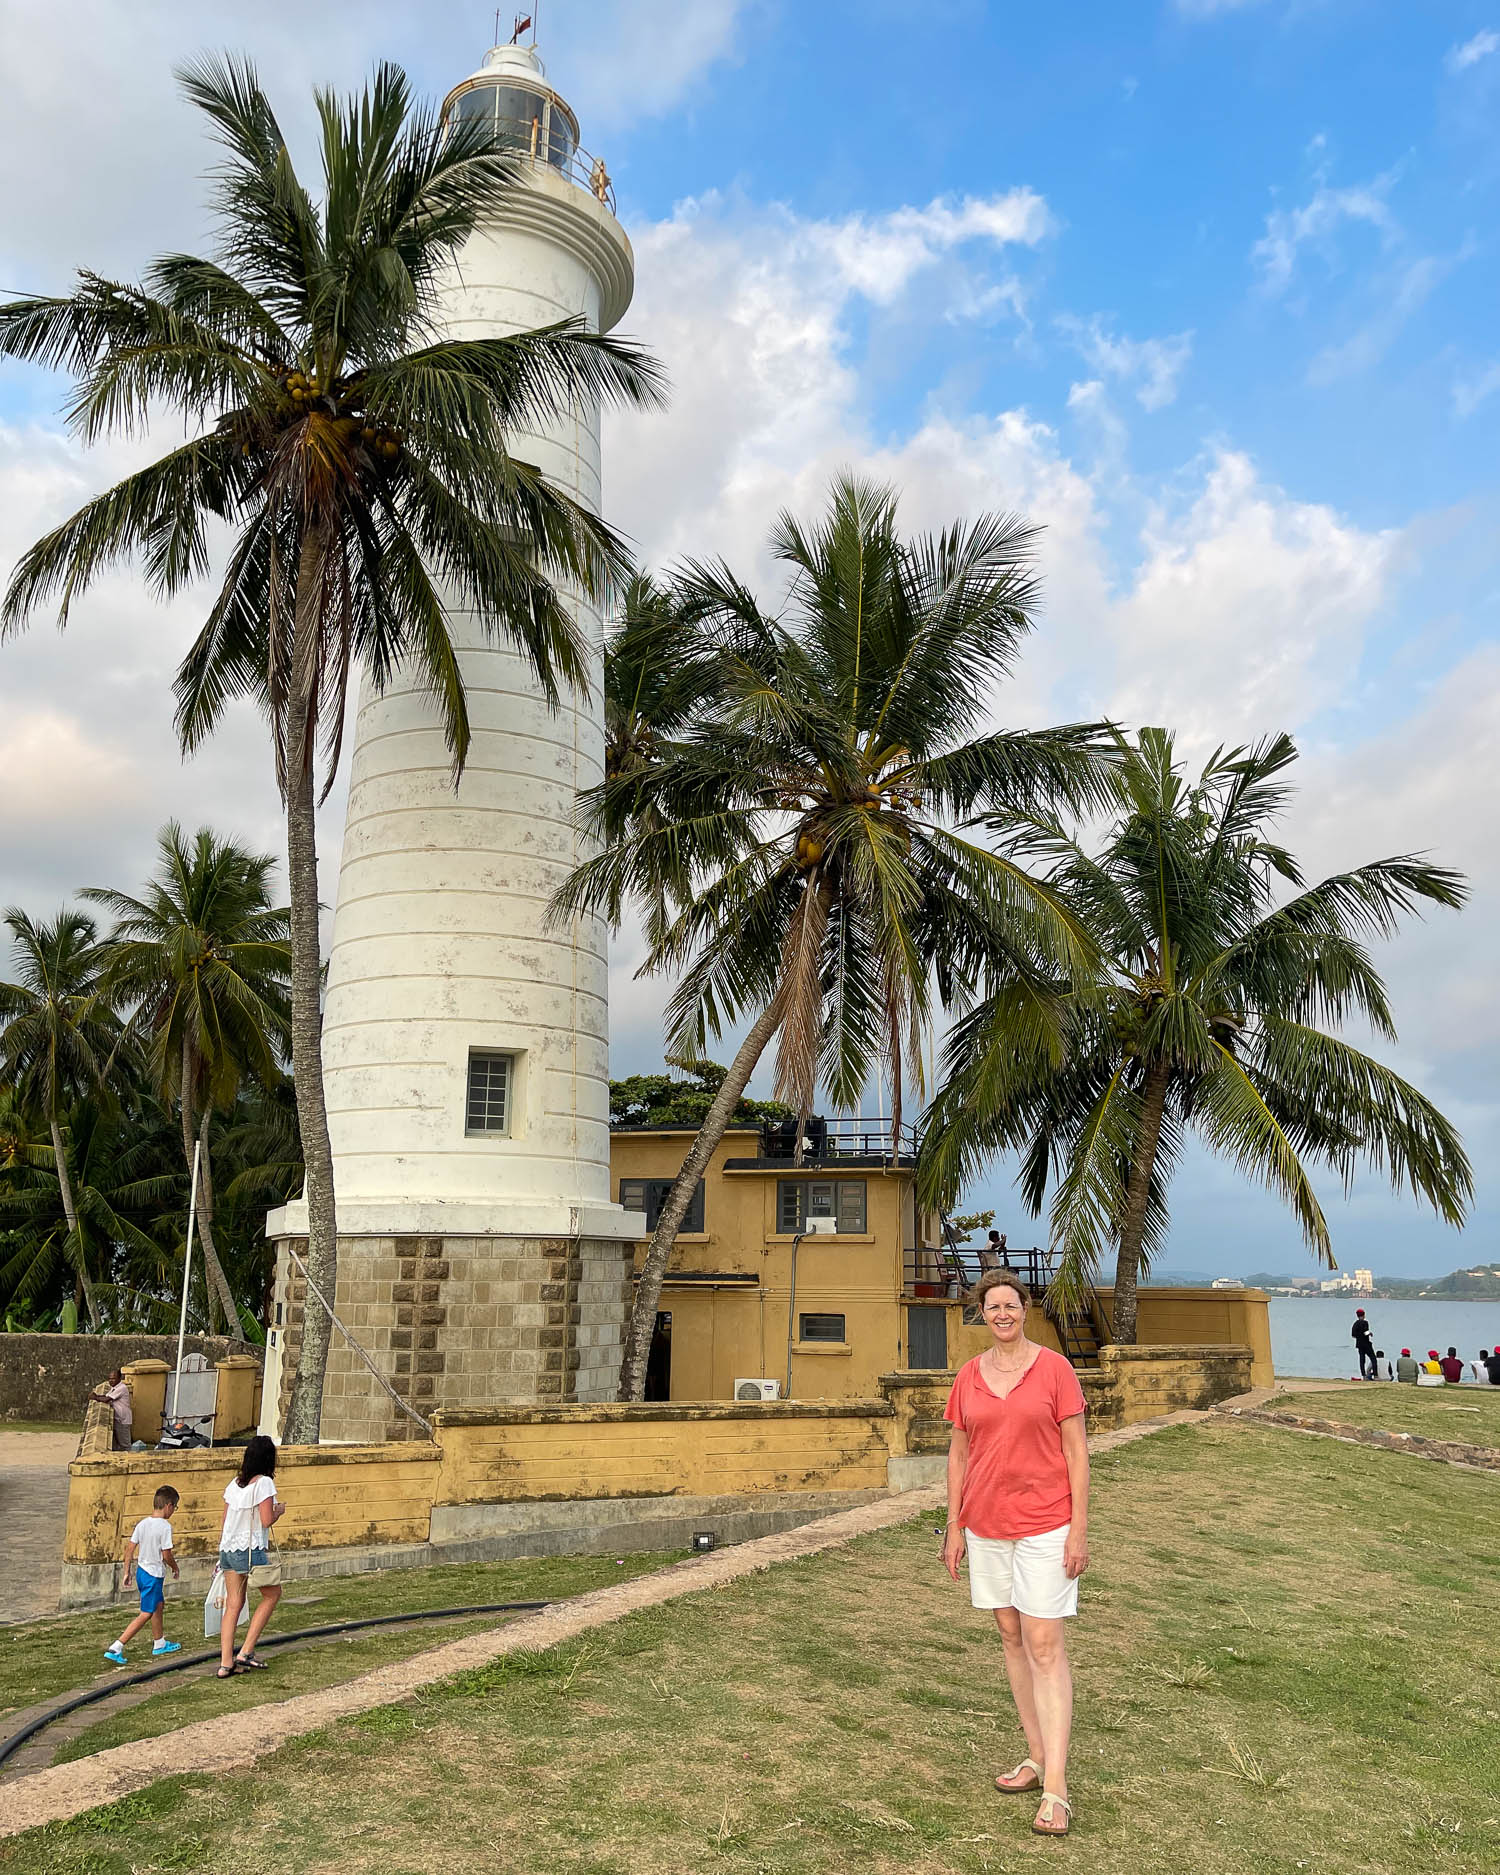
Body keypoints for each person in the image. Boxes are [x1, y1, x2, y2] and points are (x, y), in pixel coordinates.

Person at [943, 1268, 1089, 1839]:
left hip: (1046, 1524)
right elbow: (958, 1457)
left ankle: (1057, 1786)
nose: (1002, 1314)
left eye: (1011, 1304)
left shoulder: (1055, 1370)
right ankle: (1033, 1756)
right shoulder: (969, 1377)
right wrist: (953, 1527)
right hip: (985, 1525)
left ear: (1024, 1309)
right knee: (1009, 1633)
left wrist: (1079, 1530)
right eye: (992, 1306)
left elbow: (1077, 1454)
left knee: (1044, 1642)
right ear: (982, 1314)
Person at [216, 1434, 285, 1678]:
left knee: (233, 1604)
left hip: (228, 1548)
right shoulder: (264, 1483)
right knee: (272, 1594)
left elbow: (224, 1520)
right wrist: (278, 1512)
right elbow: (266, 1520)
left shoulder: (234, 1484)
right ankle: (245, 1651)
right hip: (249, 1549)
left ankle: (226, 1663)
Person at [103, 1486, 182, 1664]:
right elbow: (166, 1554)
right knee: (146, 1612)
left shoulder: (142, 1523)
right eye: (174, 1507)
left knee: (158, 1605)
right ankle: (117, 1646)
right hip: (153, 1575)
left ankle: (159, 1642)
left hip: (142, 1572)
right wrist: (175, 1568)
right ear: (169, 1506)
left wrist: (126, 1572)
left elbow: (130, 1549)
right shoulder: (165, 1527)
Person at [90, 1368, 133, 1449]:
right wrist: (96, 1396)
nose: (111, 1381)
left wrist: (95, 1397)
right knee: (117, 1445)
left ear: (119, 1379)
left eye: (113, 1378)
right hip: (118, 1419)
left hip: (123, 1420)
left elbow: (107, 1400)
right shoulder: (114, 1388)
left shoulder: (121, 1388)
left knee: (125, 1445)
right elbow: (106, 1396)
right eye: (109, 1379)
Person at [1350, 1309, 1377, 1380]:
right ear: (1364, 1314)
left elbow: (1353, 1335)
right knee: (1373, 1358)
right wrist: (1370, 1333)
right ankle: (1376, 1375)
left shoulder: (1355, 1324)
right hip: (1366, 1344)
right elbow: (1365, 1332)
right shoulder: (1365, 1322)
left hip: (1359, 1344)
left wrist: (1359, 1336)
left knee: (1362, 1360)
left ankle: (1363, 1375)